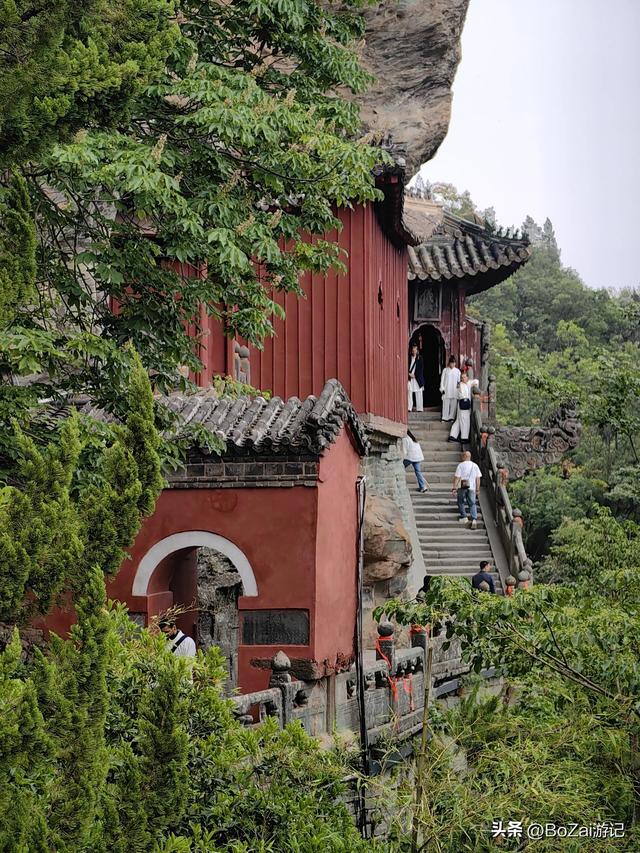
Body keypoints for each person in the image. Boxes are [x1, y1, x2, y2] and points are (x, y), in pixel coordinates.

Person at [451, 450, 481, 529]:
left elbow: (457, 477)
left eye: (462, 456)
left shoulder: (461, 465)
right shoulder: (475, 465)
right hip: (472, 488)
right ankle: (474, 519)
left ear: (464, 456)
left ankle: (464, 516)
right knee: (472, 503)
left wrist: (454, 488)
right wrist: (477, 489)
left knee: (460, 501)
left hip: (462, 487)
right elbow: (478, 479)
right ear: (469, 457)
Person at [448, 371, 472, 443]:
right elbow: (462, 395)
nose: (463, 378)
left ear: (467, 377)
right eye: (462, 377)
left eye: (464, 377)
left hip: (462, 404)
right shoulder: (460, 385)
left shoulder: (468, 383)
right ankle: (464, 438)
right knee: (465, 420)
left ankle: (453, 436)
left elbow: (476, 381)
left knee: (459, 420)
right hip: (463, 404)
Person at [439, 356, 460, 421]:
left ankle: (451, 417)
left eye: (454, 363)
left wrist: (458, 389)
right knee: (446, 403)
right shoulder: (445, 370)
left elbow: (458, 381)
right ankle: (445, 417)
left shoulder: (457, 371)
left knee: (453, 404)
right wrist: (442, 388)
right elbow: (442, 380)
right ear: (449, 363)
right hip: (447, 389)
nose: (452, 364)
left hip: (454, 390)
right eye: (451, 363)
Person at [407, 344, 425, 412]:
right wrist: (408, 374)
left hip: (417, 378)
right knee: (409, 393)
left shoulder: (420, 358)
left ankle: (419, 408)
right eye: (413, 350)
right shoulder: (409, 358)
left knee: (419, 393)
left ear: (417, 351)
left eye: (415, 350)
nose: (414, 351)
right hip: (410, 378)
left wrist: (415, 375)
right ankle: (409, 407)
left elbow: (421, 369)